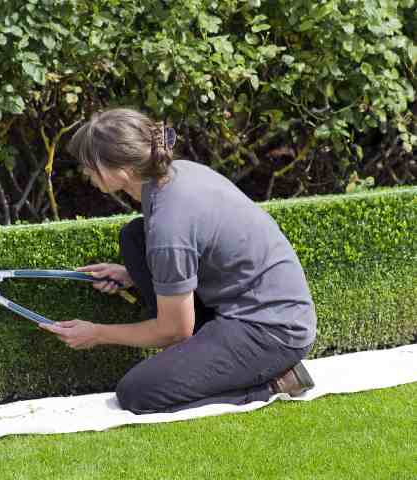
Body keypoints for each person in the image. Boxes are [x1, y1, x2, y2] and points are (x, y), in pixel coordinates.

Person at [40, 108, 317, 414]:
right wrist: (131, 274)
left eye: (88, 166)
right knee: (133, 237)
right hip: (253, 304)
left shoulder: (169, 224)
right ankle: (207, 357)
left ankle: (274, 382)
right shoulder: (175, 175)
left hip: (271, 330)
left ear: (115, 169)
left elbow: (175, 331)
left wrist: (98, 333)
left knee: (137, 392)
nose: (86, 174)